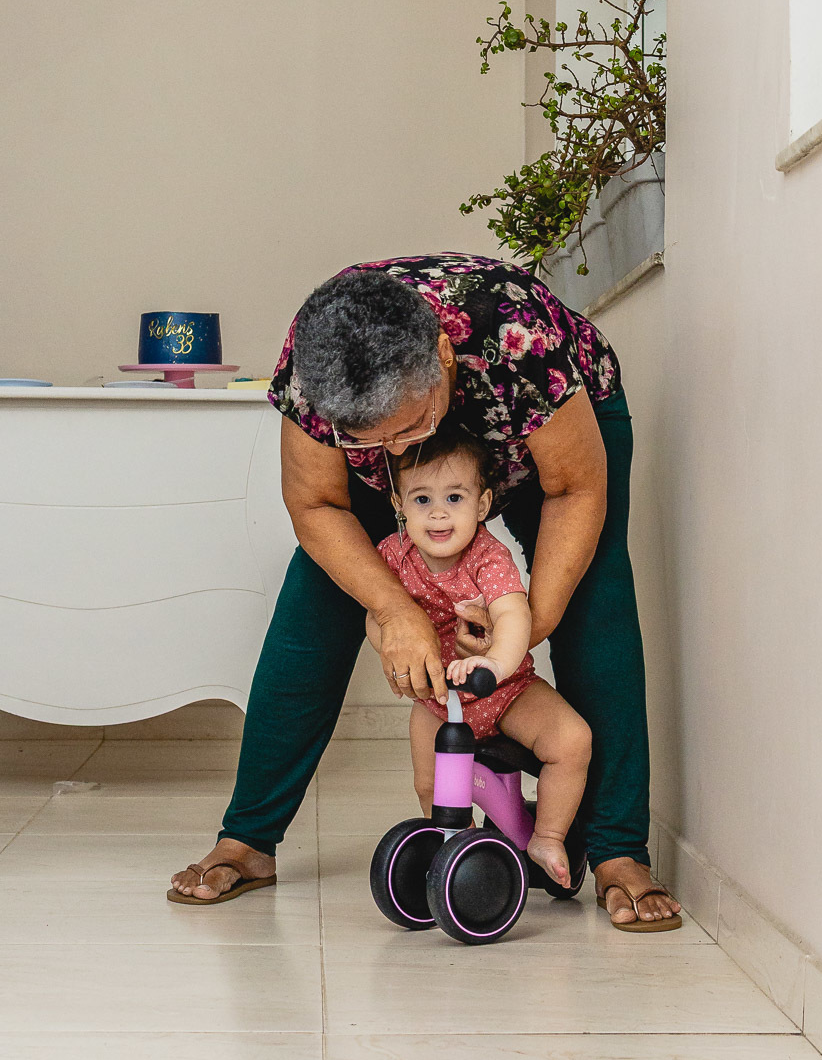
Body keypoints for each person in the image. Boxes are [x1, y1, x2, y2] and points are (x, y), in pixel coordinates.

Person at [169, 251, 682, 931]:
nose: (392, 449)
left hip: (550, 427)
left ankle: (619, 849)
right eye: (367, 438)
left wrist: (522, 630)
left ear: (442, 357)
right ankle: (248, 838)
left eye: (408, 427)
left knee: (595, 602)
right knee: (313, 606)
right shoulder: (314, 367)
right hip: (418, 451)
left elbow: (574, 489)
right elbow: (317, 504)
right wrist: (395, 609)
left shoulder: (517, 337)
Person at [366, 421, 591, 887]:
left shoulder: (487, 558)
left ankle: (548, 835)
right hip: (438, 700)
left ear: (482, 504)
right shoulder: (392, 556)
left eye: (454, 497)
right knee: (429, 784)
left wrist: (495, 664)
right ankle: (455, 845)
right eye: (421, 499)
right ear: (398, 503)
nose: (438, 514)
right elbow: (378, 616)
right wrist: (393, 653)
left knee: (572, 741)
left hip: (507, 692)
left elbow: (512, 614)